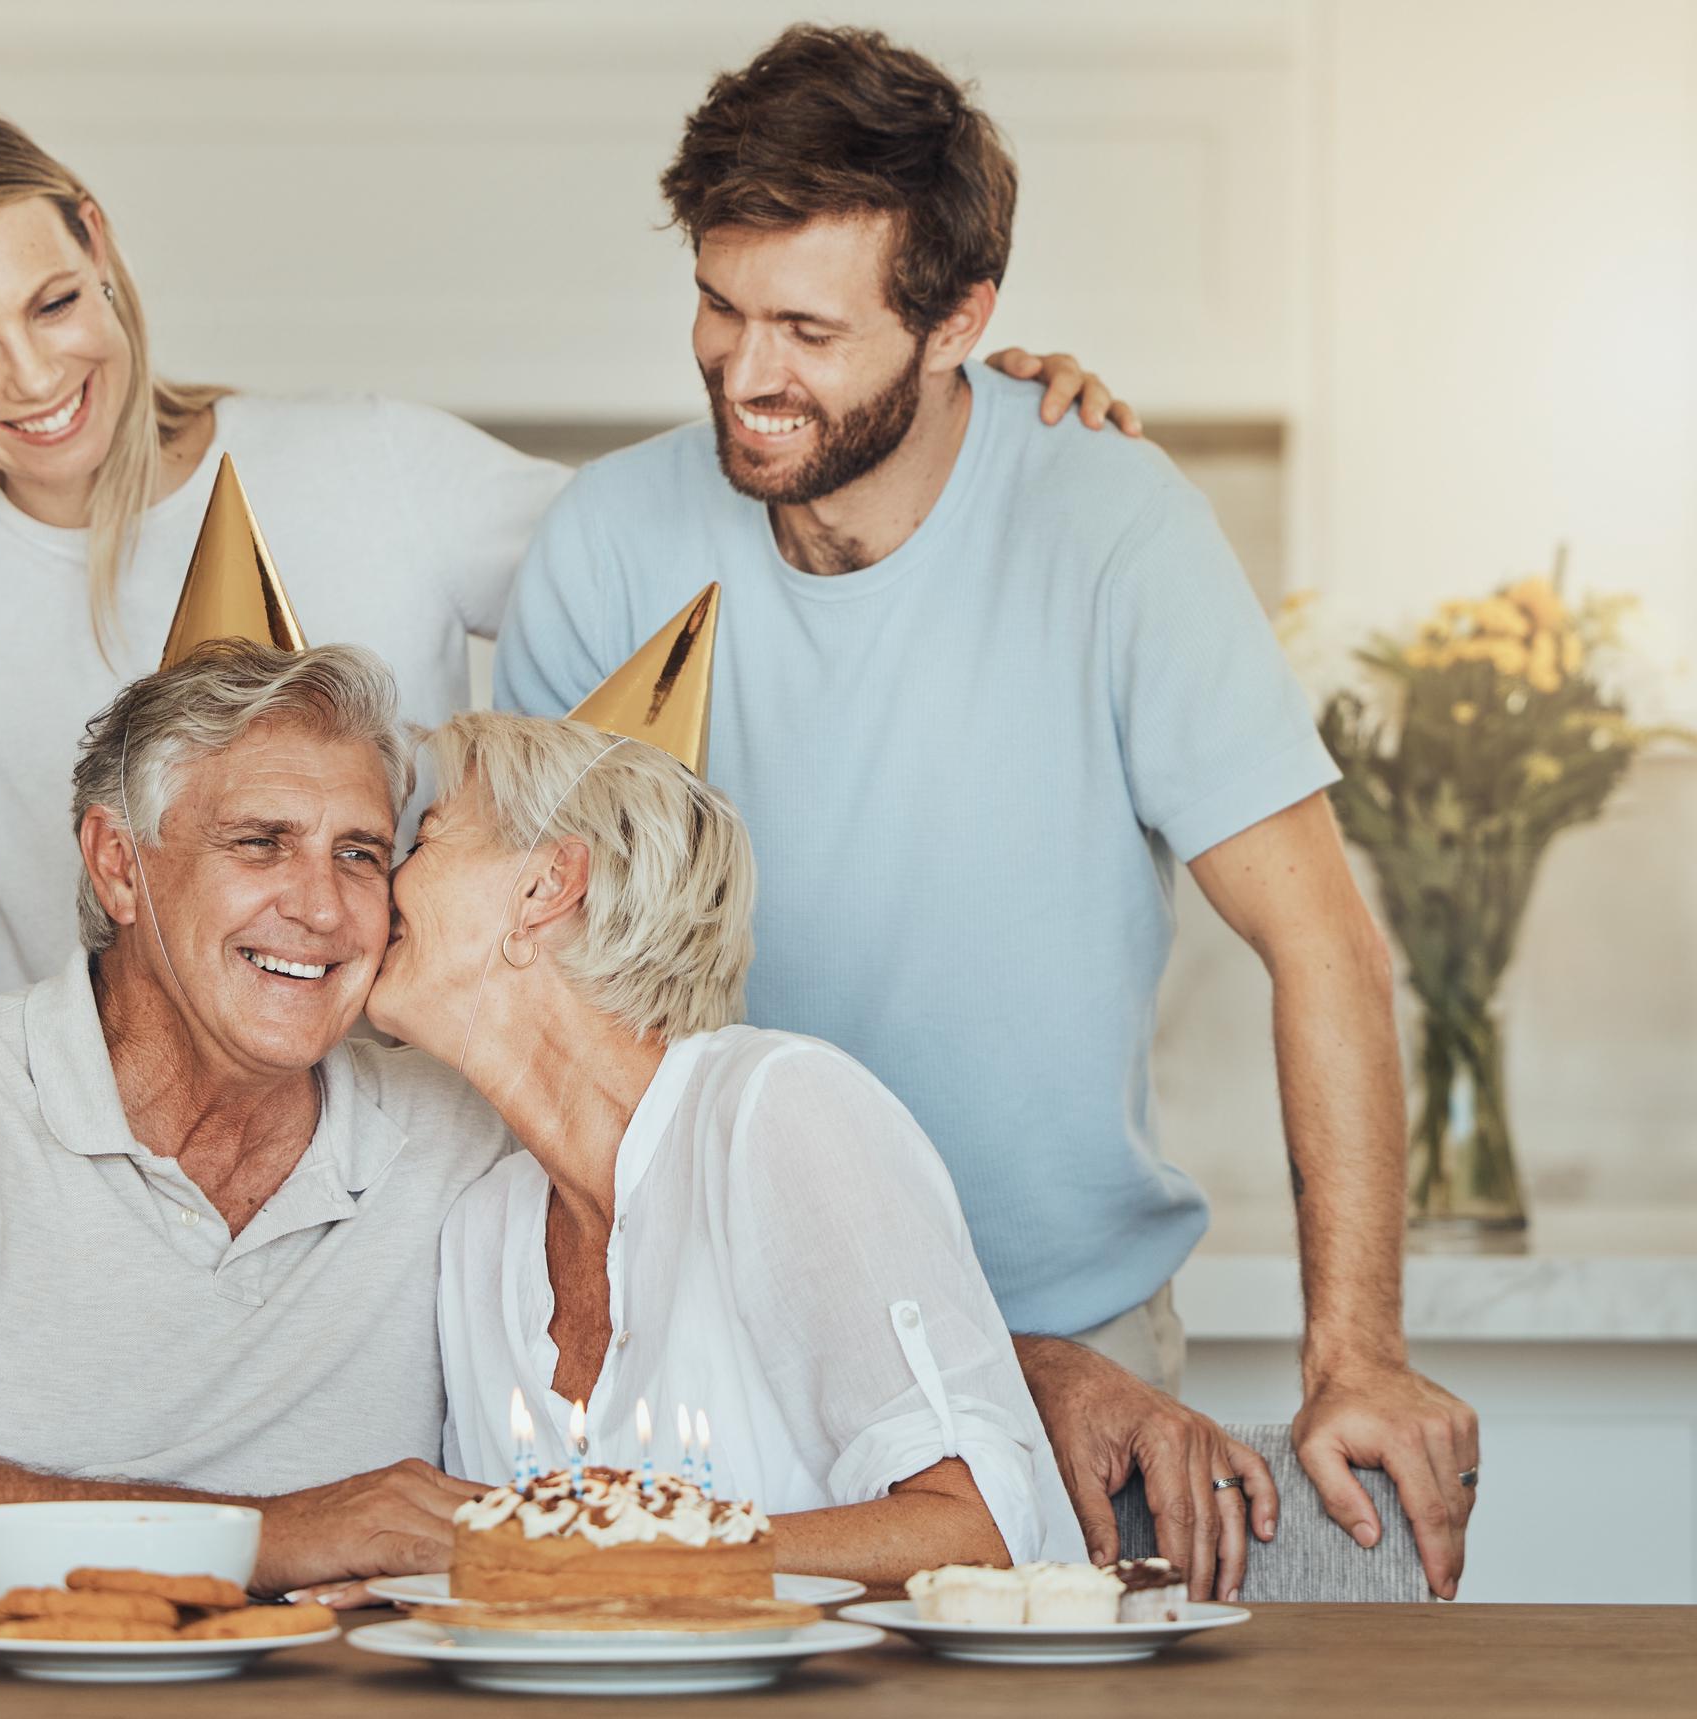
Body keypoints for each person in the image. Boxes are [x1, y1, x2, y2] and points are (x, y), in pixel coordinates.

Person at [0, 95, 1124, 1469]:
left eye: (54, 298)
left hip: (422, 1221)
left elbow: (698, 545)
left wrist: (943, 410)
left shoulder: (378, 464)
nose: (35, 377)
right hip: (99, 1242)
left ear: (104, 242)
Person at [494, 24, 1479, 1603]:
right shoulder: (609, 541)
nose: (749, 372)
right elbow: (530, 998)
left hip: (1081, 1336)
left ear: (960, 319)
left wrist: (1355, 1353)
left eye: (810, 328)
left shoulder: (1112, 522)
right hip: (723, 1339)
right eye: (720, 304)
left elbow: (1327, 948)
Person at [0, 640, 507, 1596]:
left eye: (358, 854)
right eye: (260, 841)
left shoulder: (460, 1138)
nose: (322, 908)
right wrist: (268, 1536)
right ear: (119, 865)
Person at [367, 707, 1086, 1586]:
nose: (381, 883)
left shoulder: (777, 1106)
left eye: (427, 838)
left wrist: (601, 1559)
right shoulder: (480, 1235)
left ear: (544, 887)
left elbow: (975, 1533)